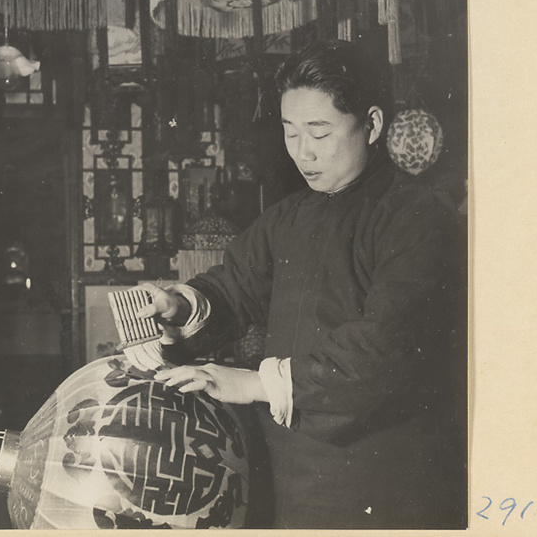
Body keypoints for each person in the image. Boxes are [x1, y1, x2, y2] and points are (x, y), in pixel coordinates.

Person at [125, 40, 467, 529]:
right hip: (291, 468)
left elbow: (382, 350)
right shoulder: (290, 215)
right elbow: (235, 284)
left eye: (320, 132)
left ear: (371, 125)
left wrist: (253, 383)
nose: (302, 153)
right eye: (290, 133)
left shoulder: (418, 217)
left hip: (386, 475)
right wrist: (181, 305)